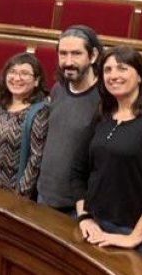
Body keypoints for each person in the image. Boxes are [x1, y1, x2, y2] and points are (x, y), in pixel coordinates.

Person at [72, 46, 142, 262]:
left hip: (138, 237)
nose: (113, 75)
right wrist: (84, 216)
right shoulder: (102, 115)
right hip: (94, 227)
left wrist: (133, 238)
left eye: (122, 69)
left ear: (140, 75)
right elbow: (78, 170)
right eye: (107, 70)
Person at [37, 25, 103, 214]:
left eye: (76, 54)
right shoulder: (58, 89)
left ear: (93, 56)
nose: (68, 62)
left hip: (78, 205)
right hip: (45, 194)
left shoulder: (104, 98)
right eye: (63, 54)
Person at [0, 53, 49, 198]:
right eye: (12, 72)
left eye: (24, 73)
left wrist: (21, 194)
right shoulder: (0, 104)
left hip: (15, 194)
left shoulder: (40, 111)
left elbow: (36, 159)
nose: (16, 78)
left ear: (36, 81)